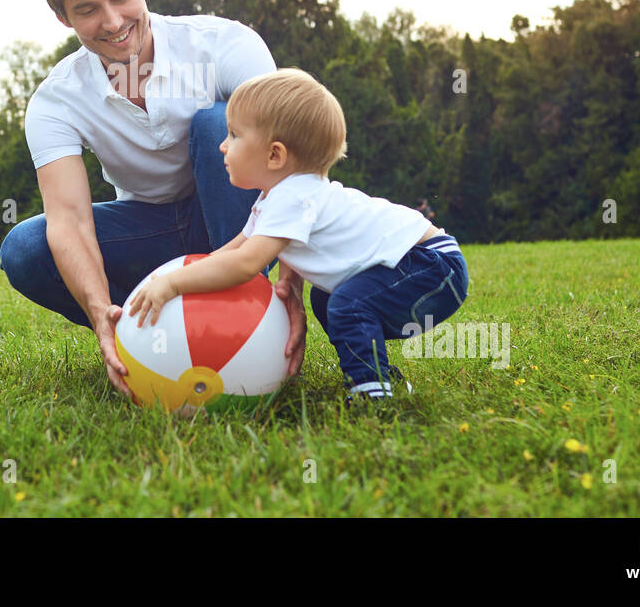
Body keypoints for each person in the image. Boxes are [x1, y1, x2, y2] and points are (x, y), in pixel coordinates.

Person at [0, 0, 310, 396]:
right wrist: (101, 312)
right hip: (150, 228)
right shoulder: (55, 101)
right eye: (87, 10)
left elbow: (287, 164)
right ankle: (143, 334)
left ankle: (253, 314)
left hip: (236, 221)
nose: (112, 21)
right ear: (65, 19)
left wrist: (292, 288)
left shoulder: (224, 44)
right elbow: (69, 221)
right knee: (25, 247)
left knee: (217, 124)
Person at [128, 68, 470, 402]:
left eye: (233, 135)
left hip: (431, 265)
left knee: (348, 304)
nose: (222, 146)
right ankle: (377, 374)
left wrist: (173, 284)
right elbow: (231, 250)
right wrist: (181, 274)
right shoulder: (274, 198)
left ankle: (373, 393)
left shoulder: (294, 197)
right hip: (412, 262)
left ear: (275, 154)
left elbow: (247, 263)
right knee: (328, 299)